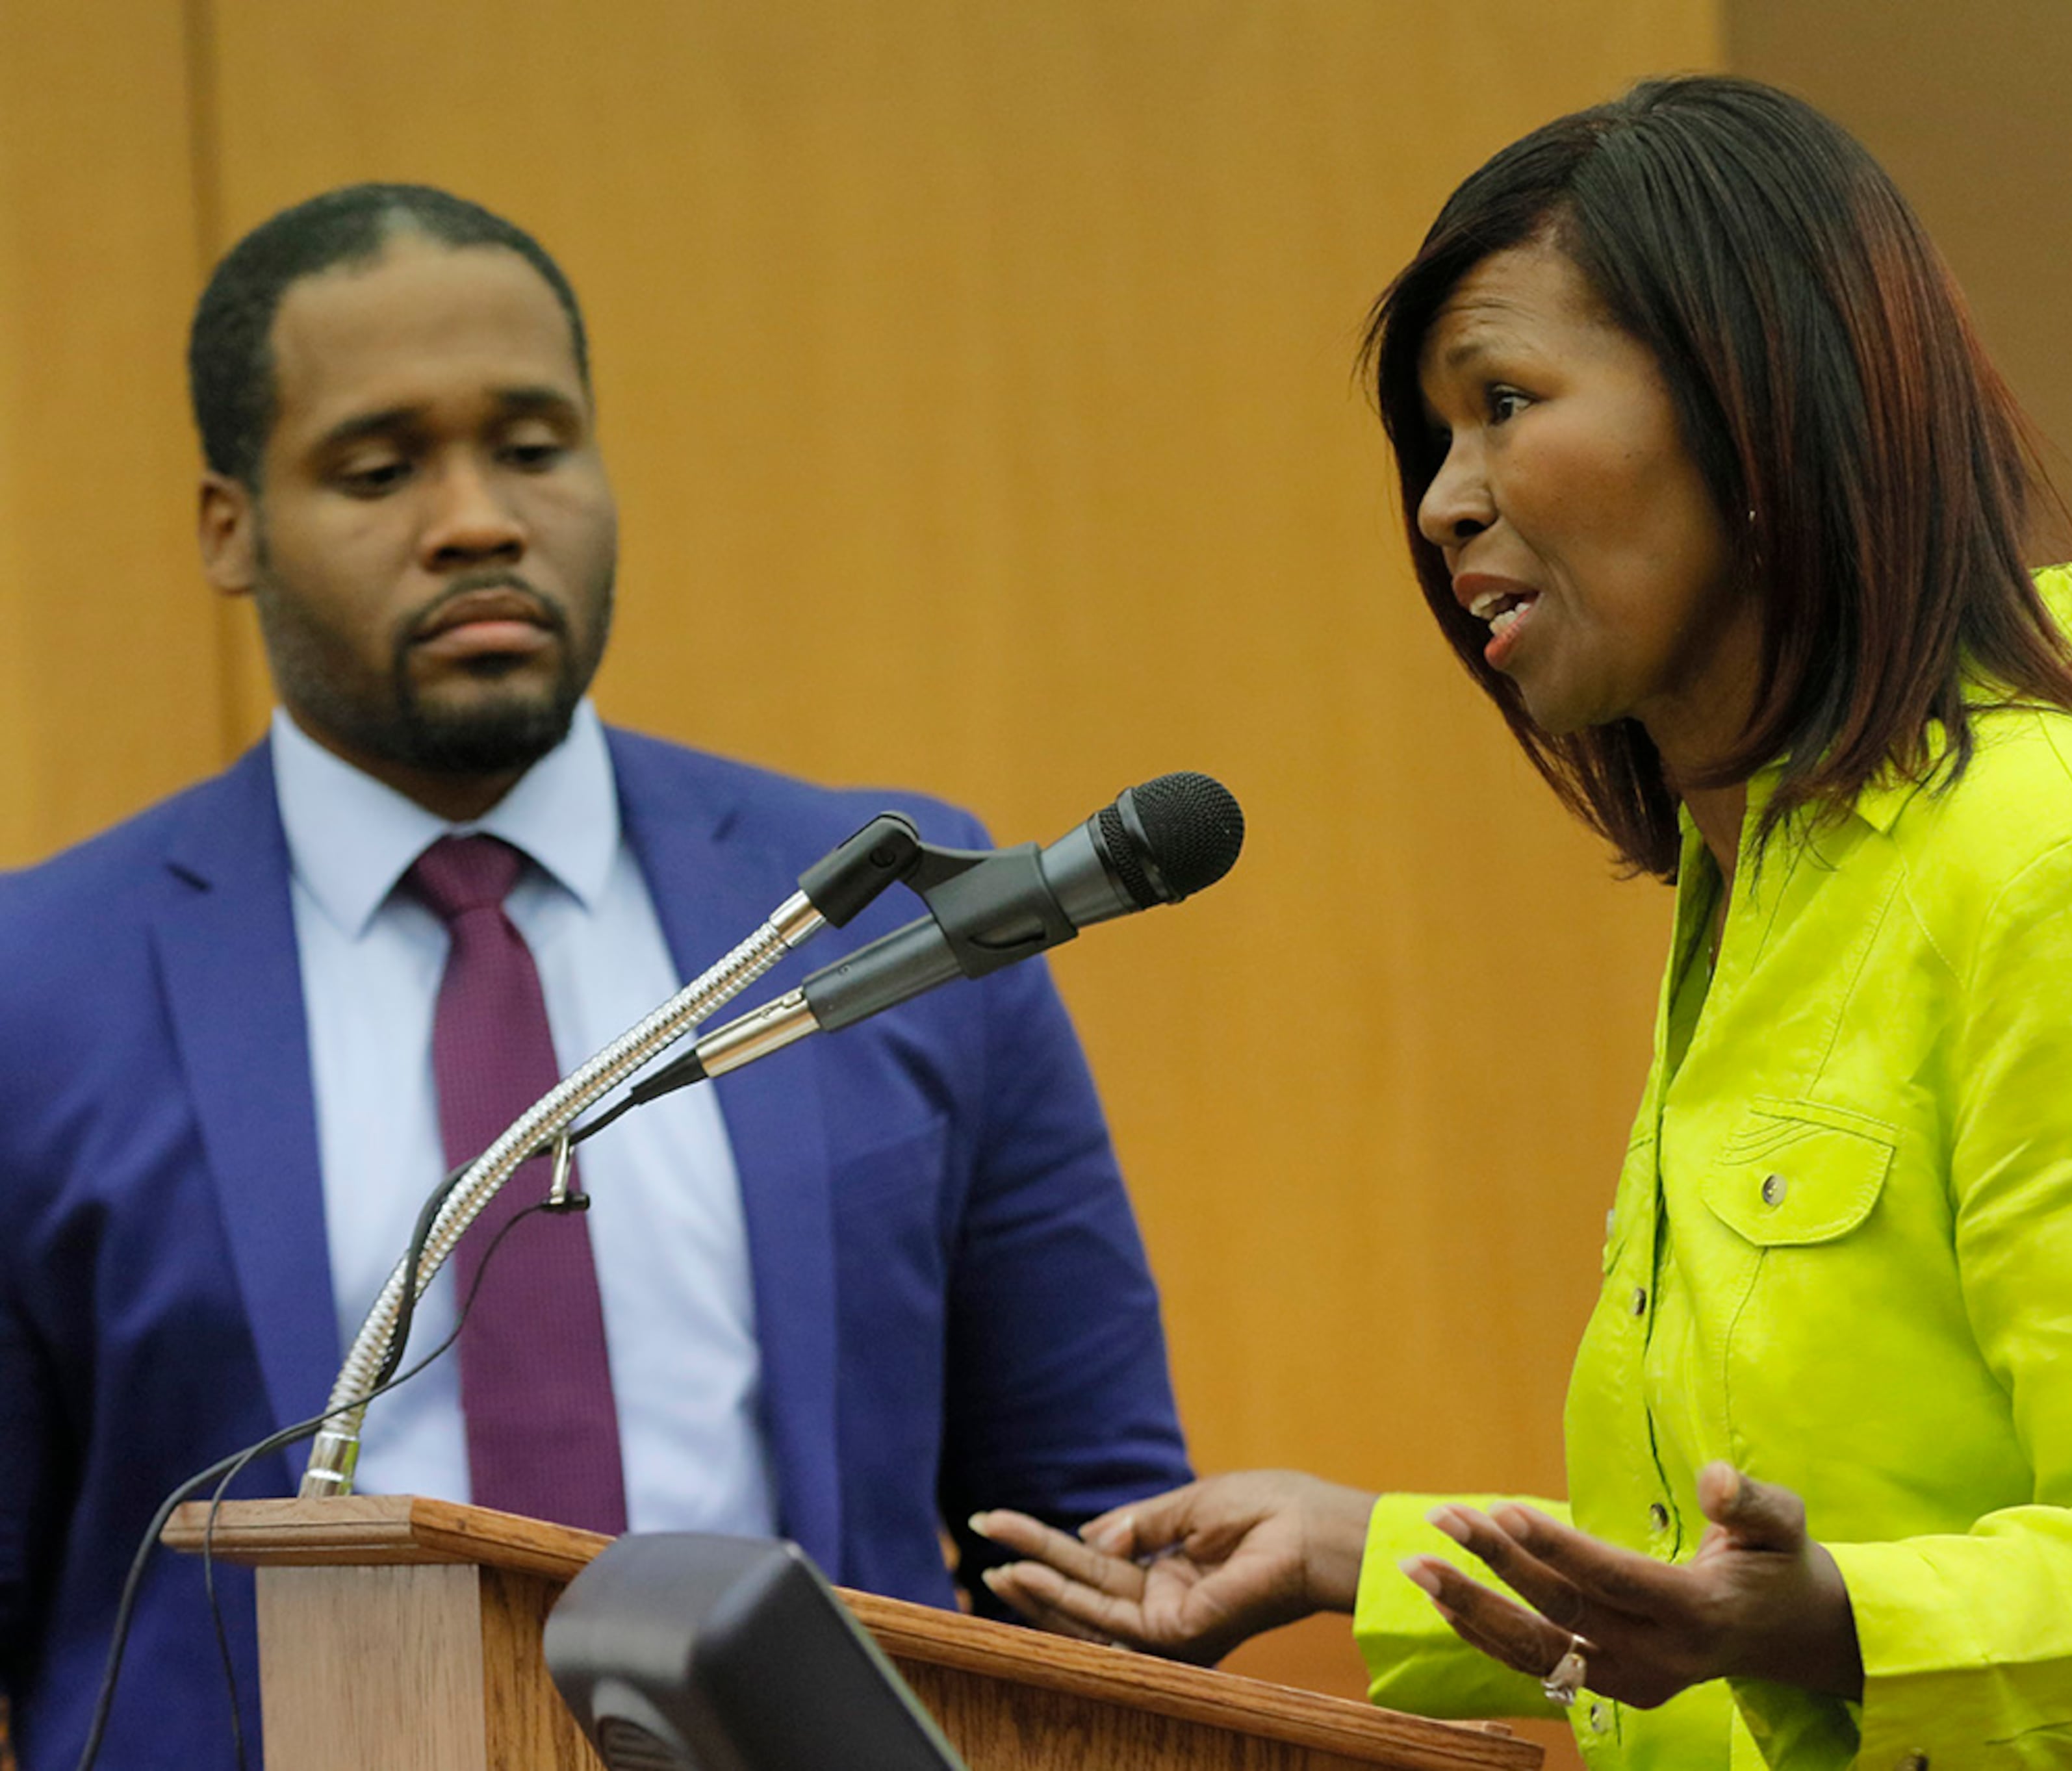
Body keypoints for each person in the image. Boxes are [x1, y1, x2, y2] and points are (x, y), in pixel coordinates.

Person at [973, 77, 2072, 1770]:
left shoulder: (2057, 853)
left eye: (1504, 402)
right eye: (1436, 437)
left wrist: (1834, 1622)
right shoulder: (1759, 886)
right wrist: (1362, 1549)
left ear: (1757, 412)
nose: (1444, 498)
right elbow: (1726, 1576)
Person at [0, 183, 1189, 1771]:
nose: (480, 517)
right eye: (379, 468)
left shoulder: (885, 918)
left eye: (537, 447)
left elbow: (1089, 1539)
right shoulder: (38, 985)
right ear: (231, 526)